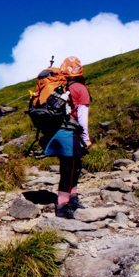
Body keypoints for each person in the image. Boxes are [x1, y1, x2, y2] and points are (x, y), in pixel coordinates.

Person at [44, 56, 92, 219]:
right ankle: (63, 206)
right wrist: (86, 138)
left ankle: (72, 200)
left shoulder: (60, 87)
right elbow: (82, 117)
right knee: (70, 170)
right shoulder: (80, 88)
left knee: (73, 167)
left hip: (57, 131)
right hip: (69, 132)